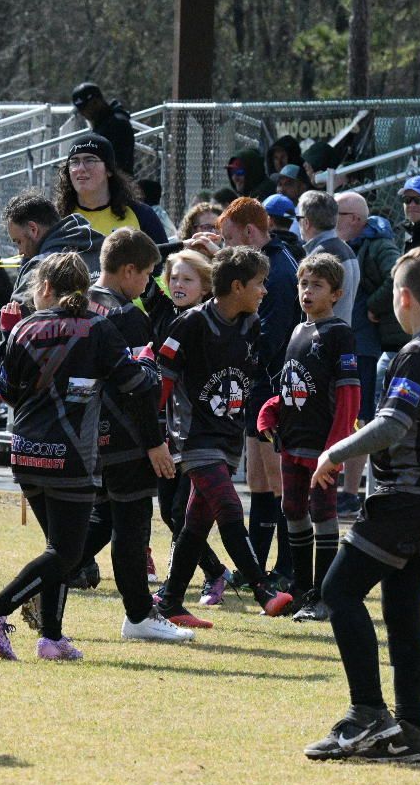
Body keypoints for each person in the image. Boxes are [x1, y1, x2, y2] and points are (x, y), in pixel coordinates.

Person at [304, 247, 420, 763]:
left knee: (337, 590)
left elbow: (395, 422)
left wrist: (335, 451)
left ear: (403, 297)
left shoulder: (419, 352)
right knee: (402, 612)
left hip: (408, 499)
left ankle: (367, 715)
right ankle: (414, 733)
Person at [0, 252, 160, 661]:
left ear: (45, 289)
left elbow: (11, 392)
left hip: (26, 451)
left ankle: (51, 637)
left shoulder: (21, 330)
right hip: (72, 454)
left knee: (58, 548)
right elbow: (133, 384)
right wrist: (149, 368)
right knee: (66, 553)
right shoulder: (98, 328)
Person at [59, 230, 191, 643]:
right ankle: (139, 615)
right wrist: (154, 442)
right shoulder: (128, 317)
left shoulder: (75, 304)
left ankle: (45, 583)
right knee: (132, 524)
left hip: (79, 430)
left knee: (101, 519)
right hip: (123, 435)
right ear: (129, 269)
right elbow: (141, 386)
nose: (149, 284)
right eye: (148, 274)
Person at [153, 246, 295, 628]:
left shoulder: (250, 325)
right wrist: (155, 437)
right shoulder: (191, 324)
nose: (264, 291)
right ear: (236, 286)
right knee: (230, 508)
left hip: (229, 438)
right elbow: (161, 384)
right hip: (193, 437)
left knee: (196, 523)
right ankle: (263, 588)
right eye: (259, 284)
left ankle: (169, 602)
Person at [258, 255, 360, 622]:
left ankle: (325, 595)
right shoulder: (298, 332)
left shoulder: (339, 334)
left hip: (322, 448)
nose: (307, 291)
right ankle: (302, 589)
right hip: (292, 442)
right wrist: (270, 410)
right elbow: (293, 386)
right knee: (293, 511)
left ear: (336, 294)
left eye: (316, 285)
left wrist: (335, 450)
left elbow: (349, 395)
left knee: (323, 513)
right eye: (304, 284)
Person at [219, 197, 301, 584]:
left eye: (229, 239)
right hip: (258, 388)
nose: (225, 248)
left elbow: (270, 340)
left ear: (250, 232)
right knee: (259, 483)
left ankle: (287, 568)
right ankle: (255, 566)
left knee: (278, 481)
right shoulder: (261, 266)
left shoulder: (278, 272)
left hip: (275, 388)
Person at [156, 249, 231, 605]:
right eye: (173, 278)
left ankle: (211, 574)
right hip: (169, 431)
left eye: (187, 279)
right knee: (169, 510)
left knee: (182, 511)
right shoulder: (169, 318)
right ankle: (211, 573)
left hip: (199, 435)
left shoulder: (206, 323)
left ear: (206, 287)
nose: (177, 285)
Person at [337, 190, 401, 515]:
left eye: (338, 214)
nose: (333, 221)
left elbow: (397, 274)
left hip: (364, 346)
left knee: (358, 417)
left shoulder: (377, 243)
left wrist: (375, 307)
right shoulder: (349, 246)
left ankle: (350, 493)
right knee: (345, 417)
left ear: (354, 219)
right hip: (348, 341)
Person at [54, 133, 167, 242]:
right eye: (74, 162)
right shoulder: (55, 217)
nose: (81, 168)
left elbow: (163, 259)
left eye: (90, 160)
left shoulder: (142, 215)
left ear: (108, 170)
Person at [0, 189, 105, 302]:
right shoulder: (105, 251)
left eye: (19, 242)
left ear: (33, 229)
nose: (20, 252)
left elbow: (16, 314)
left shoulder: (42, 265)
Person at [296, 191, 358, 328]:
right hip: (339, 332)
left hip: (322, 337)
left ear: (306, 222)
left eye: (298, 218)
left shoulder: (321, 255)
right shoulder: (346, 249)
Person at [71, 82, 136, 178]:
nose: (83, 113)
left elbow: (118, 163)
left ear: (97, 101)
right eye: (80, 109)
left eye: (86, 107)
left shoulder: (117, 124)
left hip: (118, 186)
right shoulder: (100, 125)